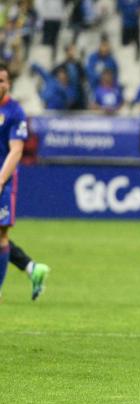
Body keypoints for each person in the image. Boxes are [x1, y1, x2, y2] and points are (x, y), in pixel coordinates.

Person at [0, 63, 28, 298]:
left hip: (3, 180)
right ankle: (30, 266)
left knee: (1, 234)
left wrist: (0, 181)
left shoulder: (15, 112)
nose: (1, 84)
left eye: (3, 80)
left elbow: (16, 149)